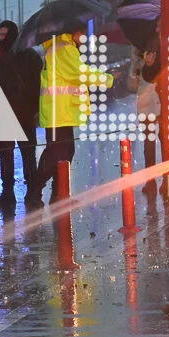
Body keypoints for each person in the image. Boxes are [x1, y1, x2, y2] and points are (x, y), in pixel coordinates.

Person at [27, 28, 114, 206]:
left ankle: (58, 194)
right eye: (82, 32)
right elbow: (79, 73)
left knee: (62, 153)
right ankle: (36, 193)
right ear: (73, 30)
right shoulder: (64, 47)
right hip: (59, 110)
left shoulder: (61, 46)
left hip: (60, 110)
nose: (84, 36)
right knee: (56, 154)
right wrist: (106, 79)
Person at [0, 21, 42, 208]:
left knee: (27, 153)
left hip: (23, 112)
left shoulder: (28, 56)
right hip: (5, 114)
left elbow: (38, 84)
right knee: (7, 154)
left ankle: (31, 191)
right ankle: (11, 193)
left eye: (4, 35)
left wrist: (35, 107)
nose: (1, 38)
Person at [127, 45, 165, 195]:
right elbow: (132, 85)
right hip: (146, 106)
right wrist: (138, 67)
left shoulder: (162, 54)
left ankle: (167, 180)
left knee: (165, 140)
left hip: (163, 103)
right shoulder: (138, 58)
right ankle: (150, 181)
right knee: (149, 143)